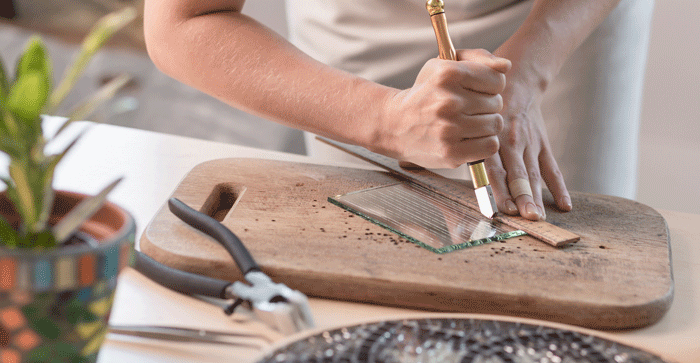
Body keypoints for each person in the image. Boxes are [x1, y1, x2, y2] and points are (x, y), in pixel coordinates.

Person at [143, 0, 654, 221]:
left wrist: (526, 74)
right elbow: (183, 22)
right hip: (357, 29)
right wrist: (384, 118)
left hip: (555, 23)